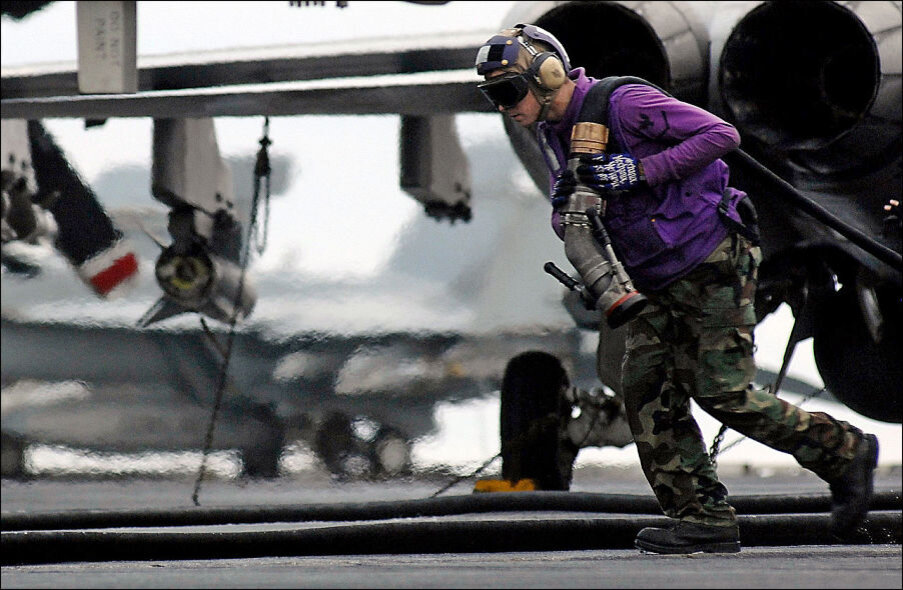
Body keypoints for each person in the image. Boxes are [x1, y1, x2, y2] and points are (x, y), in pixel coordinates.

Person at [474, 23, 879, 554]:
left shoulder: (625, 104)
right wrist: (570, 211)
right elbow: (568, 202)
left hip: (710, 258)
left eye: (508, 91)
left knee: (722, 390)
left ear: (546, 75)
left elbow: (719, 136)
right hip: (652, 277)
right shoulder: (552, 130)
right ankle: (704, 518)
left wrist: (639, 171)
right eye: (493, 97)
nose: (504, 107)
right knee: (644, 393)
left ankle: (843, 451)